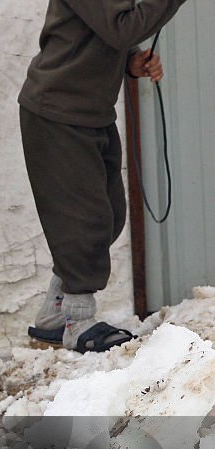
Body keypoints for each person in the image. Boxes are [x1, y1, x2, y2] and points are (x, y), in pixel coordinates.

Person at [21, 0, 187, 352]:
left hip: (91, 111)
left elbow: (107, 32)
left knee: (108, 216)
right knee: (84, 221)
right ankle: (77, 320)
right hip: (58, 111)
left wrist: (131, 60)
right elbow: (122, 26)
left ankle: (54, 314)